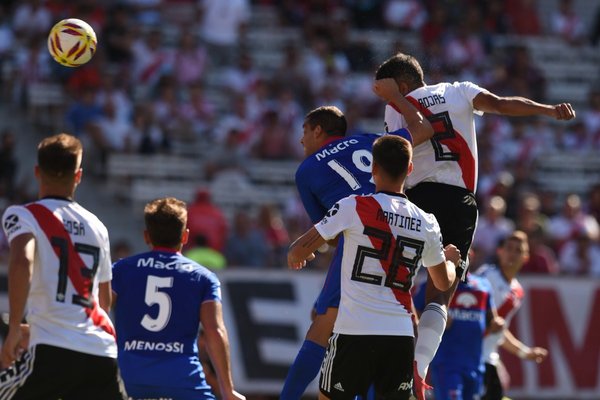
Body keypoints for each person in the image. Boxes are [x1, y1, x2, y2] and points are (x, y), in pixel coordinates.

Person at [374, 52, 575, 399]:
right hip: (457, 201)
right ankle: (419, 369)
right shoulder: (459, 90)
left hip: (416, 200)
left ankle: (390, 359)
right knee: (442, 292)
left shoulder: (396, 107)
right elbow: (502, 104)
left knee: (397, 281)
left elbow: (399, 155)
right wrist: (547, 110)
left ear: (401, 85)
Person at [281, 87, 434, 399]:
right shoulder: (370, 140)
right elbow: (424, 128)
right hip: (405, 230)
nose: (301, 140)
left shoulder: (307, 169)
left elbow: (331, 234)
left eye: (305, 131)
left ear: (318, 130)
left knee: (322, 326)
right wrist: (396, 97)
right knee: (384, 323)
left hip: (363, 232)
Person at [0, 133, 127, 399]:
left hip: (51, 347)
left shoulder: (23, 215)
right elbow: (103, 302)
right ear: (78, 176)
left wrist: (14, 328)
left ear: (37, 172)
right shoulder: (98, 227)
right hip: (100, 352)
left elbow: (22, 261)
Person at [111, 197, 244, 400]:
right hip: (181, 379)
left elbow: (99, 313)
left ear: (146, 236)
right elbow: (214, 332)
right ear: (185, 236)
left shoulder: (120, 270)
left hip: (129, 377)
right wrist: (227, 390)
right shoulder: (203, 278)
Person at [477, 231, 548, 400]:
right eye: (509, 248)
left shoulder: (517, 292)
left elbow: (500, 332)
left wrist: (525, 352)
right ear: (499, 252)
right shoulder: (485, 277)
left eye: (518, 250)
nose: (512, 253)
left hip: (489, 358)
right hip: (471, 356)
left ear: (525, 257)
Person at [413, 273, 503, 400]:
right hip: (447, 365)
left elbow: (492, 319)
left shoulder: (483, 285)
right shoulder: (433, 284)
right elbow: (414, 314)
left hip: (475, 364)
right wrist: (436, 320)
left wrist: (497, 324)